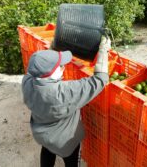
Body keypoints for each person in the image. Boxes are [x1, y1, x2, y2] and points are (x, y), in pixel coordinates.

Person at [22, 36, 111, 167]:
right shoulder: (63, 92)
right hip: (65, 141)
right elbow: (100, 79)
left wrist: (53, 50)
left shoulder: (27, 82)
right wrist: (103, 51)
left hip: (42, 134)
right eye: (60, 66)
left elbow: (38, 69)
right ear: (51, 74)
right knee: (71, 161)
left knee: (47, 150)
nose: (63, 67)